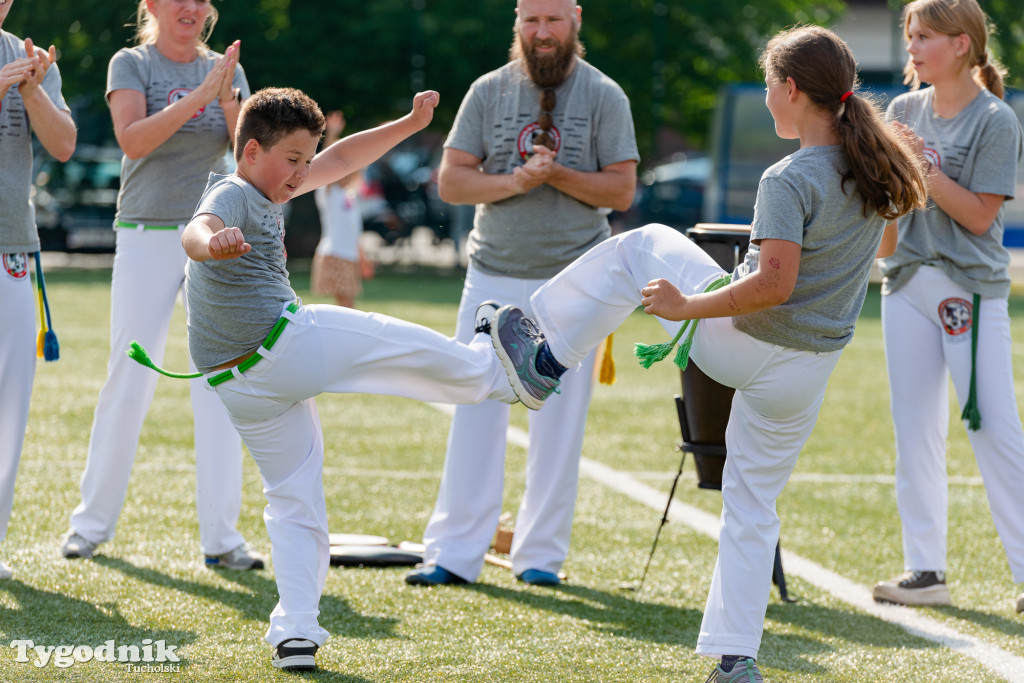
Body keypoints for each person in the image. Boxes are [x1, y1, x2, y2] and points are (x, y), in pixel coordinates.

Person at [486, 25, 927, 682]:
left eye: (772, 87)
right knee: (753, 504)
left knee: (645, 243)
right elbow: (885, 250)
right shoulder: (875, 166)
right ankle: (733, 656)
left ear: (790, 89)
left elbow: (774, 283)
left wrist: (686, 308)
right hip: (807, 373)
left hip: (745, 345)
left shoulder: (790, 175)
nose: (770, 100)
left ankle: (544, 358)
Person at [177, 86, 520, 671]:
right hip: (279, 348)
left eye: (306, 161)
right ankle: (498, 368)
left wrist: (409, 124)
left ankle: (296, 635)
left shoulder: (269, 182)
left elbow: (341, 160)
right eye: (293, 161)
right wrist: (212, 244)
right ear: (251, 150)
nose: (303, 173)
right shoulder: (234, 191)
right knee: (387, 338)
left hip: (239, 385)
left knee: (293, 501)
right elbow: (195, 230)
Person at [406, 0, 639, 589]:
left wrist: (555, 173)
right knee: (475, 404)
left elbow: (622, 189)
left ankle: (539, 557)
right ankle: (454, 553)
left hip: (576, 279)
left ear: (576, 20)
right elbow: (453, 181)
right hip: (493, 272)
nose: (542, 32)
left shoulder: (605, 95)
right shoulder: (487, 91)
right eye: (531, 20)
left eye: (553, 20)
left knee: (558, 420)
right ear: (517, 22)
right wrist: (515, 180)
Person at [59, 0, 262, 570]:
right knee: (130, 374)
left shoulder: (228, 66)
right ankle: (90, 527)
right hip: (146, 231)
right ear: (151, 5)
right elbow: (134, 141)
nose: (191, 8)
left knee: (220, 378)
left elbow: (243, 150)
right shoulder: (131, 63)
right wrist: (201, 95)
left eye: (200, 0)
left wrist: (225, 92)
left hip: (211, 231)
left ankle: (223, 539)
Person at [871, 0, 1024, 614]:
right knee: (915, 432)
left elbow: (982, 215)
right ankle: (925, 570)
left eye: (925, 36)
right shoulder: (903, 109)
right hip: (906, 283)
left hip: (971, 290)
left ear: (962, 44)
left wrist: (918, 166)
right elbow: (889, 204)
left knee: (991, 429)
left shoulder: (996, 118)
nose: (912, 47)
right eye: (910, 36)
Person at [0, 0, 77, 581]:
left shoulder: (27, 57)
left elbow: (64, 144)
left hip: (10, 246)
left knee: (9, 404)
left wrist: (30, 90)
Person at [312, 110, 367, 308]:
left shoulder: (349, 195)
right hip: (334, 253)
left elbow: (354, 229)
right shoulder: (329, 192)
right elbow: (325, 164)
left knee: (345, 304)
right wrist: (332, 135)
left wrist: (361, 256)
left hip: (348, 255)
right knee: (346, 304)